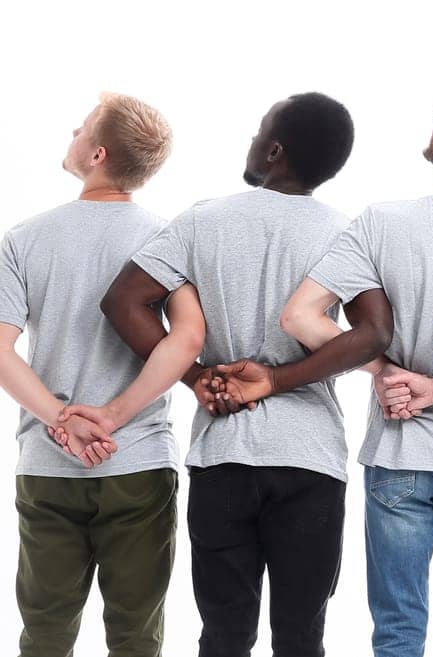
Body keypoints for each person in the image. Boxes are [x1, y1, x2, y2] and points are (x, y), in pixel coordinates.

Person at [89, 92, 380, 657]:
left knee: (224, 637)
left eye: (258, 132)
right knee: (302, 636)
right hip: (310, 458)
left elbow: (125, 301)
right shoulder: (346, 233)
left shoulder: (204, 220)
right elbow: (371, 334)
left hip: (222, 453)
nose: (251, 140)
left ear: (274, 151)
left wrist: (197, 377)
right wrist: (282, 377)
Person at [277, 82, 433, 657]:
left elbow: (300, 316)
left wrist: (386, 373)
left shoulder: (382, 222)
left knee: (395, 634)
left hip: (398, 455)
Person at [0, 93, 190, 657]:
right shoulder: (169, 236)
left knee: (45, 634)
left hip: (50, 461)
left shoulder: (25, 239)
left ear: (97, 153)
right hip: (137, 460)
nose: (73, 131)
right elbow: (186, 341)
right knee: (136, 637)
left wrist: (60, 416)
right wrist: (114, 416)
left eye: (81, 128)